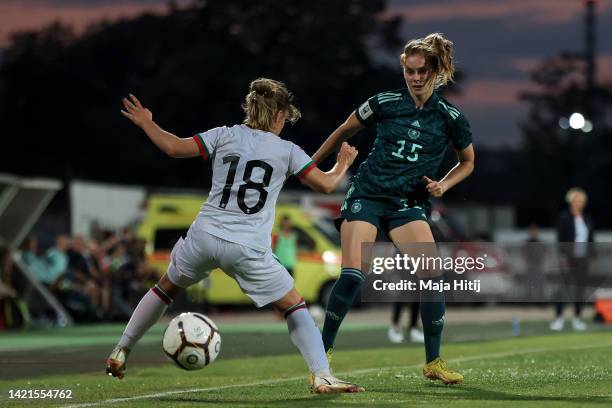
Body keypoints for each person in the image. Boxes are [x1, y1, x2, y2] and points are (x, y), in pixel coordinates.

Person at [106, 78, 364, 394]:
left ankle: (122, 348)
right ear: (280, 115)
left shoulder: (224, 135)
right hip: (247, 246)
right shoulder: (287, 151)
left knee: (165, 289)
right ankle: (322, 375)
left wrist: (147, 123)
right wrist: (342, 164)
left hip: (204, 236)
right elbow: (325, 185)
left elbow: (173, 147)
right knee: (294, 305)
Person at [311, 33, 474, 385]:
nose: (415, 78)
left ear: (436, 71)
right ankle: (320, 358)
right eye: (409, 71)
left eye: (421, 72)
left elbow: (468, 162)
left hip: (407, 204)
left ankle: (433, 362)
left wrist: (444, 184)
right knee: (353, 274)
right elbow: (343, 130)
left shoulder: (450, 117)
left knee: (432, 278)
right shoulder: (384, 102)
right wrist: (311, 165)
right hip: (367, 195)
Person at [551, 188, 594, 332]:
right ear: (571, 201)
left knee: (580, 291)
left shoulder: (587, 218)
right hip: (568, 259)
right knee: (563, 289)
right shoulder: (564, 217)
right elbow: (560, 240)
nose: (579, 203)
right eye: (576, 200)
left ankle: (577, 319)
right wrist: (563, 257)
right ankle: (558, 319)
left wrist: (592, 256)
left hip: (583, 259)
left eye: (581, 201)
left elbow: (590, 239)